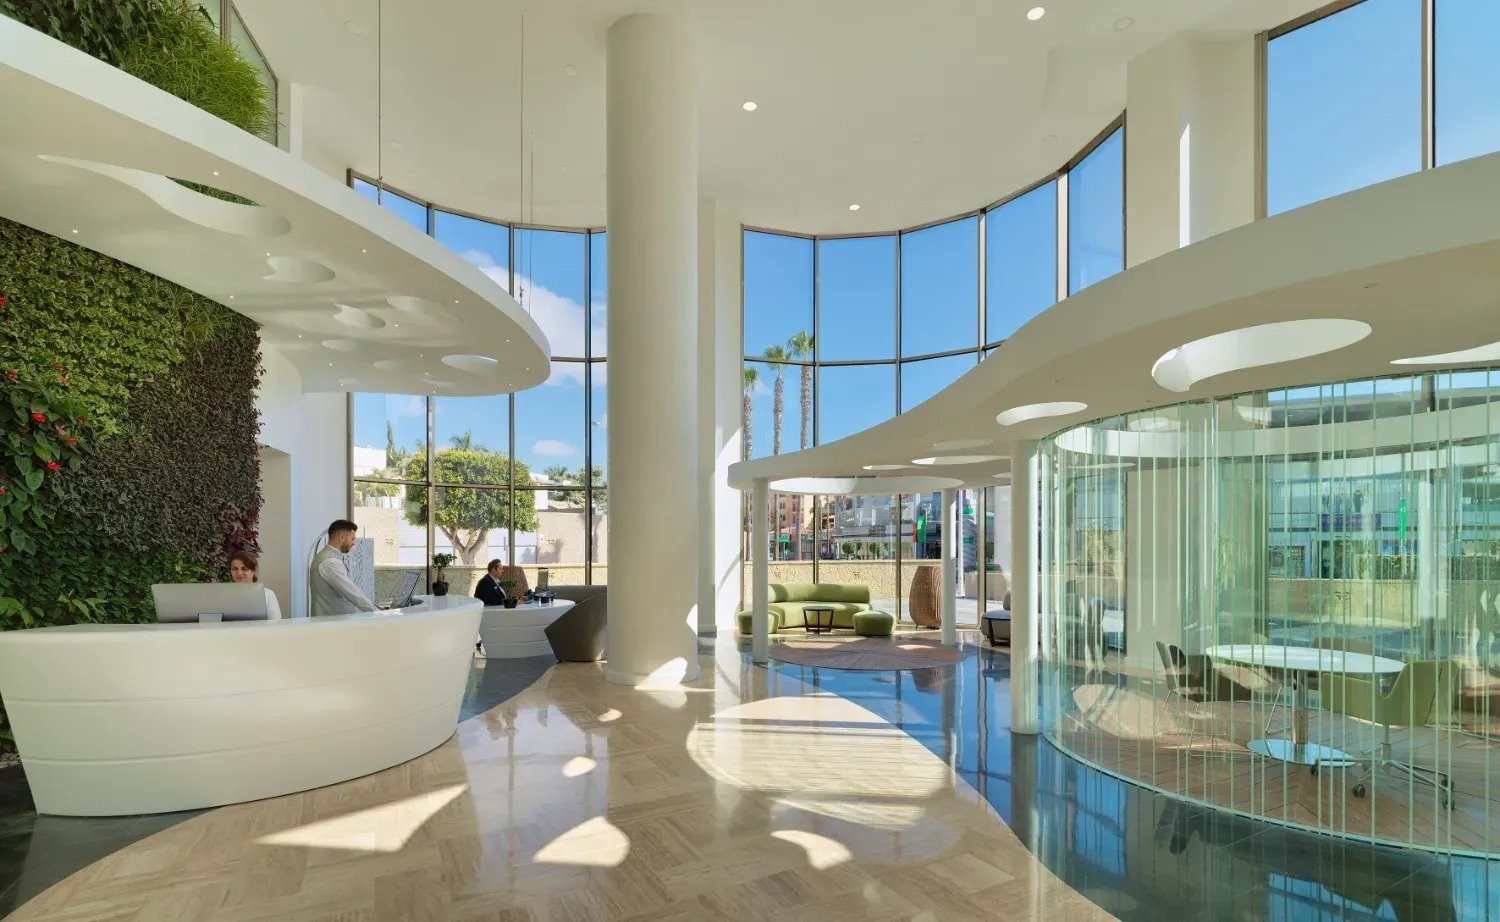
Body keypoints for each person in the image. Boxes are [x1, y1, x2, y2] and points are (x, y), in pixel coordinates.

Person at [309, 519, 380, 617]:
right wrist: (378, 612)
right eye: (352, 539)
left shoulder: (332, 558)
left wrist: (375, 607)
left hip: (335, 623)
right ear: (342, 537)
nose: (354, 543)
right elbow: (352, 593)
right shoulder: (330, 562)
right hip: (330, 626)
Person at [228, 550, 283, 620]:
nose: (239, 573)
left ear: (254, 570)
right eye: (234, 569)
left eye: (244, 569)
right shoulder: (223, 595)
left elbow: (275, 623)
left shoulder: (267, 594)